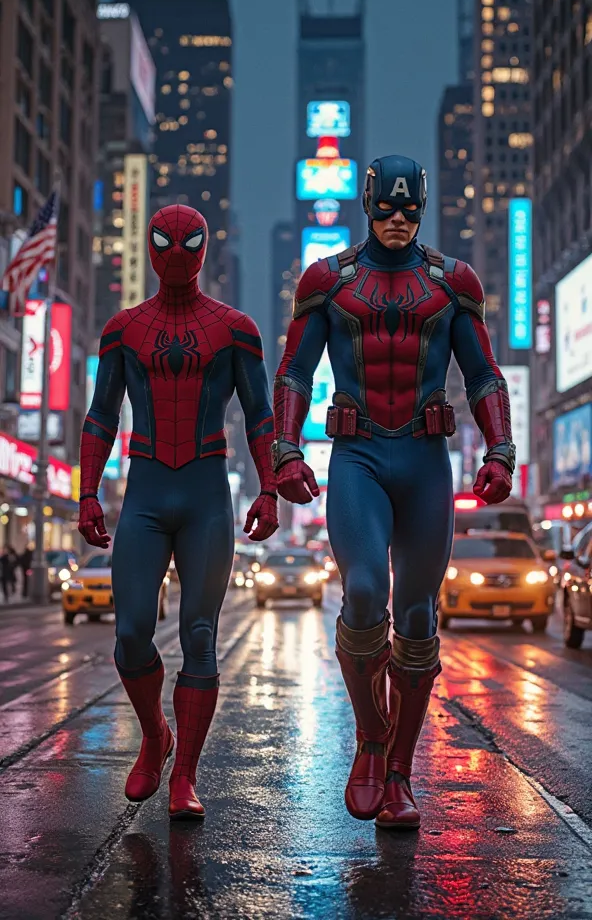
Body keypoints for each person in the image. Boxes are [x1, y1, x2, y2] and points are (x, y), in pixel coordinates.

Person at [272, 155, 514, 829]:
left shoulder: (451, 283)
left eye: (411, 211)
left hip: (425, 458)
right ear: (368, 206)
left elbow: (484, 374)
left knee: (415, 615)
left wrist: (501, 448)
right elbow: (294, 372)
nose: (399, 222)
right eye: (388, 210)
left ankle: (402, 772)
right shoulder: (329, 281)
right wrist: (285, 449)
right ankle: (371, 737)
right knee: (364, 594)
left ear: (424, 207)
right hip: (358, 456)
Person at [79, 205, 278, 821]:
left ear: (203, 248)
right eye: (164, 243)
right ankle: (156, 737)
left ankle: (184, 774)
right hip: (144, 490)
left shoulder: (236, 329)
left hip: (205, 491)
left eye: (185, 244)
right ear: (148, 246)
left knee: (199, 634)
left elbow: (260, 414)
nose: (174, 253)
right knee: (131, 632)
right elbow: (101, 414)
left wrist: (269, 488)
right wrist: (87, 491)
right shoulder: (122, 329)